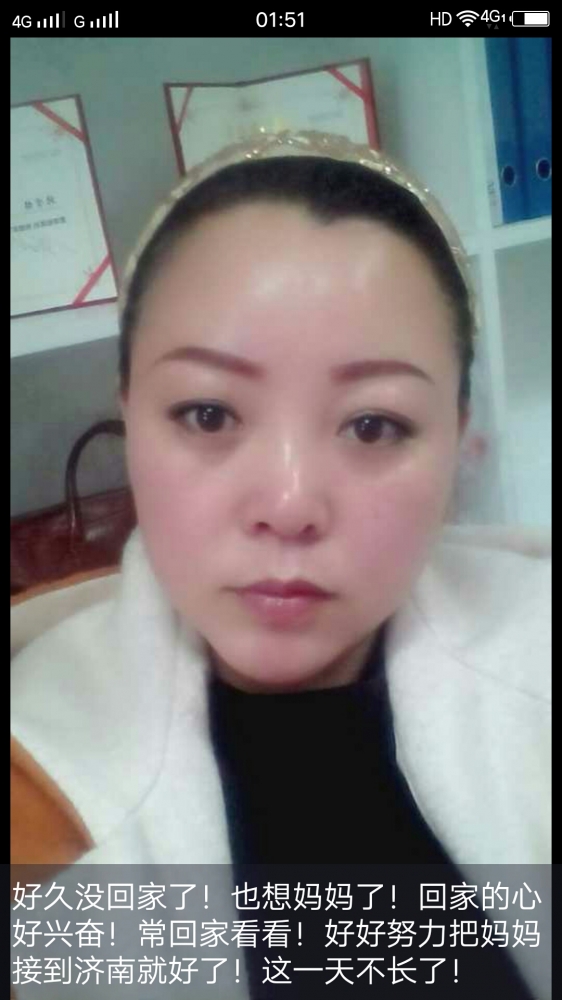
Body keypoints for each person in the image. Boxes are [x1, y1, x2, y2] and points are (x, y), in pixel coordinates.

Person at [11, 130, 550, 998]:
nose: (291, 504)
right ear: (129, 415)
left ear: (458, 439)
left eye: (373, 425)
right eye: (209, 414)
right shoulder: (34, 775)